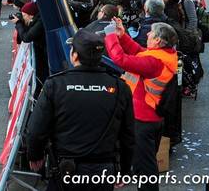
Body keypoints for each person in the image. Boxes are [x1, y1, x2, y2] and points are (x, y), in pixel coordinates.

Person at [26, 29, 135, 191]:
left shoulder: (55, 84)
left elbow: (36, 130)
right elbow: (128, 134)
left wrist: (35, 156)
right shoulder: (120, 87)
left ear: (75, 55)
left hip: (66, 169)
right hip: (103, 169)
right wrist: (125, 170)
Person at [105, 18, 178, 191]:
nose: (147, 34)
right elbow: (139, 52)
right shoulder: (164, 55)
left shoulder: (154, 62)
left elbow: (120, 59)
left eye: (151, 33)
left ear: (158, 40)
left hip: (143, 121)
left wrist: (110, 37)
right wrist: (122, 37)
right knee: (145, 163)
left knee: (144, 169)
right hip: (152, 117)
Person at [12, 1, 48, 96]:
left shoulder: (40, 22)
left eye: (24, 15)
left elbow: (27, 37)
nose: (23, 17)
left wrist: (19, 24)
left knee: (43, 73)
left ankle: (41, 94)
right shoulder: (36, 19)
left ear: (31, 15)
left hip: (45, 52)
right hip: (42, 49)